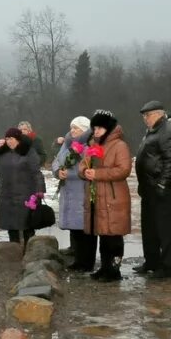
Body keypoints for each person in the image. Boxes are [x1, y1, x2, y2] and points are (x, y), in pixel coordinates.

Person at [134, 101, 171, 279]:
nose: (145, 119)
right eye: (144, 116)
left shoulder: (168, 132)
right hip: (148, 189)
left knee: (164, 229)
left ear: (159, 114)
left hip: (162, 190)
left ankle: (165, 267)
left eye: (148, 115)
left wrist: (163, 185)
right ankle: (151, 261)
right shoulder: (152, 132)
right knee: (149, 228)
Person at [81, 110, 132, 282]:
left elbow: (123, 170)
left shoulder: (120, 146)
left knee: (114, 237)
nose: (95, 131)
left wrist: (97, 174)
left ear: (108, 129)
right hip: (97, 196)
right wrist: (84, 171)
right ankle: (104, 267)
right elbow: (83, 165)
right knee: (103, 234)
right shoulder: (94, 146)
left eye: (99, 128)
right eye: (94, 128)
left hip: (113, 197)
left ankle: (114, 270)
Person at [52, 116, 95, 272]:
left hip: (82, 189)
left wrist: (68, 173)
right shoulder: (67, 143)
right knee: (75, 229)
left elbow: (89, 165)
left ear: (84, 129)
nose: (72, 130)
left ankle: (86, 262)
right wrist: (58, 172)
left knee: (85, 228)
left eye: (76, 128)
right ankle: (78, 259)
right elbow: (56, 161)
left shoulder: (89, 144)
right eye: (71, 127)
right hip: (68, 190)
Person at [0, 127, 46, 246]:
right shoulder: (3, 152)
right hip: (7, 194)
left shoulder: (28, 152)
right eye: (7, 138)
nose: (9, 141)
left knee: (27, 225)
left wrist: (40, 190)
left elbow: (36, 172)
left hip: (26, 194)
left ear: (18, 139)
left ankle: (29, 252)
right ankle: (14, 252)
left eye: (11, 138)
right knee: (11, 225)